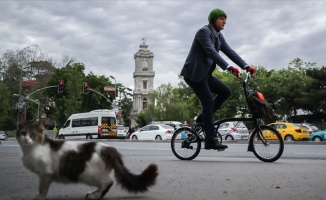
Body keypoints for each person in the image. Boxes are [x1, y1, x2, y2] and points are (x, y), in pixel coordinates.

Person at [180, 8, 256, 150]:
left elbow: (230, 51)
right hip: (194, 75)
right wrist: (228, 68)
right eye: (221, 18)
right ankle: (210, 140)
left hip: (206, 75)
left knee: (225, 91)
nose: (225, 21)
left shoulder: (218, 36)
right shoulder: (204, 32)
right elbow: (211, 51)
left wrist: (246, 66)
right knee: (208, 102)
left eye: (225, 18)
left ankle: (203, 118)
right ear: (213, 20)